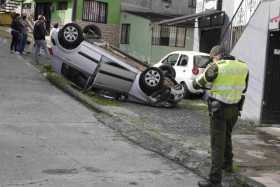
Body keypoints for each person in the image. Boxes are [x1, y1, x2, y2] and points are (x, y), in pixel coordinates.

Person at [193, 45, 249, 187]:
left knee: (217, 145)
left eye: (212, 57)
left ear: (217, 55)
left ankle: (214, 181)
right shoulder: (243, 66)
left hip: (219, 110)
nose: (212, 59)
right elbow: (244, 87)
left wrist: (200, 78)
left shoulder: (216, 67)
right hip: (235, 109)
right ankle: (228, 165)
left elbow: (198, 83)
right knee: (227, 137)